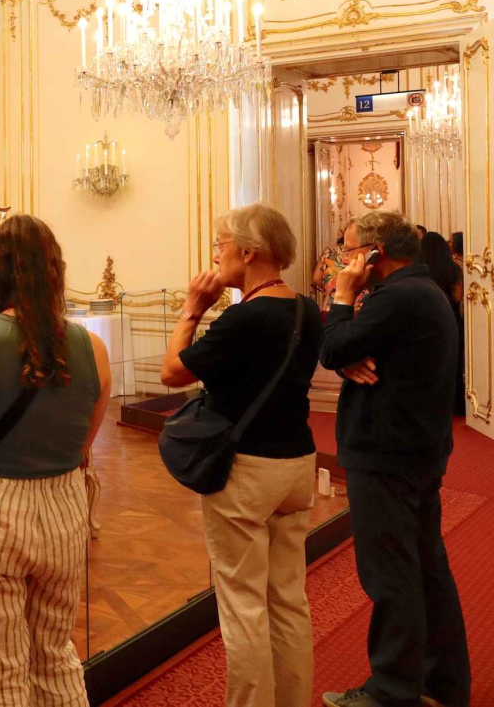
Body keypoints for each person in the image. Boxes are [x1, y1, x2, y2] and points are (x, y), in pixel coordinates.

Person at [0, 214, 112, 707]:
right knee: (54, 653)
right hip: (63, 509)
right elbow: (83, 447)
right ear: (55, 271)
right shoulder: (94, 347)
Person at [160, 204, 323, 707]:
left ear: (247, 252)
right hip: (298, 463)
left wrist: (192, 307)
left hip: (247, 470)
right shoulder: (307, 309)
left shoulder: (242, 317)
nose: (215, 256)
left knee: (244, 605)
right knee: (289, 599)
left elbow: (172, 373)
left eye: (220, 245)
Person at [319, 211, 469, 707]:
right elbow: (349, 353)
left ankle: (391, 691)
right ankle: (441, 683)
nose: (344, 259)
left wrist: (343, 298)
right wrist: (347, 353)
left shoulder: (398, 296)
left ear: (375, 253)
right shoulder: (419, 292)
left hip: (386, 454)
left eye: (349, 249)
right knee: (425, 570)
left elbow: (333, 345)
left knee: (391, 576)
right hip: (415, 450)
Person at [418, 231, 465, 416]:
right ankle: (454, 405)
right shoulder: (453, 269)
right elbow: (458, 296)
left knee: (427, 365)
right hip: (450, 319)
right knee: (451, 364)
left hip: (425, 321)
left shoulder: (419, 270)